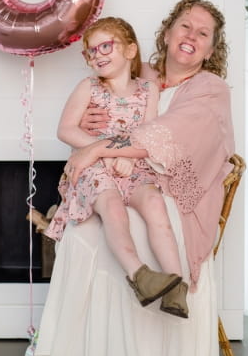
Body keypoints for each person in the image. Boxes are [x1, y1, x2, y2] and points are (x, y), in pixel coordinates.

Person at [36, 0, 236, 356]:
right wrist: (91, 132)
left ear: (211, 49)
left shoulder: (210, 90)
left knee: (132, 229)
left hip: (178, 193)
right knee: (82, 234)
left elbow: (168, 137)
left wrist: (93, 150)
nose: (190, 37)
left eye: (202, 34)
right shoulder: (139, 77)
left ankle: (144, 354)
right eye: (184, 26)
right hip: (122, 179)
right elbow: (103, 112)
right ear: (166, 32)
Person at [45, 16, 188, 318]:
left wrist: (130, 157)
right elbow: (66, 129)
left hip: (132, 165)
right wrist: (106, 154)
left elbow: (147, 133)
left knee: (153, 203)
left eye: (105, 46)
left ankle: (176, 285)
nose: (98, 55)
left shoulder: (148, 90)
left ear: (130, 51)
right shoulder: (89, 87)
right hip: (94, 167)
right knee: (111, 205)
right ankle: (140, 275)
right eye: (91, 52)